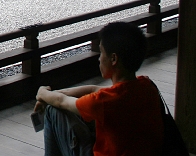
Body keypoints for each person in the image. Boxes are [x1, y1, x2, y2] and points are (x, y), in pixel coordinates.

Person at [34, 22, 163, 156]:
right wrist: (52, 95)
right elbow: (93, 89)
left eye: (101, 52)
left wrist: (42, 93)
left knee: (52, 110)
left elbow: (61, 102)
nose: (99, 58)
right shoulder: (146, 85)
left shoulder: (104, 102)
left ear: (113, 59)